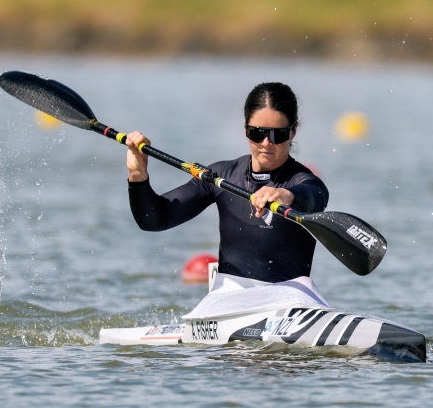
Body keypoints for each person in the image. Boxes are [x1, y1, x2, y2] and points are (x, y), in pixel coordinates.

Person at [125, 82, 328, 284]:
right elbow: (153, 219)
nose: (266, 143)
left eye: (278, 134)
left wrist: (287, 195)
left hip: (290, 298)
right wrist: (137, 175)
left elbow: (315, 196)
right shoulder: (222, 176)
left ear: (293, 132)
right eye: (258, 133)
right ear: (245, 128)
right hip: (230, 298)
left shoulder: (303, 181)